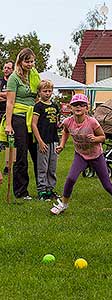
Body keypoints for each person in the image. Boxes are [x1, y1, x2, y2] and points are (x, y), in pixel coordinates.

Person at [50, 94, 112, 216]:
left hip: (96, 156)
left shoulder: (92, 122)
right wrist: (62, 145)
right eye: (75, 105)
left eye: (81, 105)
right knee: (71, 178)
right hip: (80, 155)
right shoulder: (68, 122)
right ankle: (63, 204)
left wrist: (95, 139)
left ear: (86, 108)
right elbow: (65, 132)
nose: (78, 107)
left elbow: (103, 137)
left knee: (107, 185)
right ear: (70, 108)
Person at [4, 48, 40, 199]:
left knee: (38, 154)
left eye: (32, 61)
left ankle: (44, 188)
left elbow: (39, 95)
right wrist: (9, 124)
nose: (30, 64)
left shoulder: (34, 75)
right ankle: (21, 191)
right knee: (22, 156)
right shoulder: (14, 78)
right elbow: (10, 102)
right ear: (20, 61)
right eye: (27, 61)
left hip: (33, 117)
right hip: (19, 117)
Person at [32, 80, 60, 201]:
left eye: (49, 91)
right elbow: (34, 124)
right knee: (42, 167)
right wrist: (40, 141)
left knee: (52, 166)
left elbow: (55, 122)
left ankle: (50, 189)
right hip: (43, 141)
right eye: (45, 91)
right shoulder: (38, 106)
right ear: (39, 92)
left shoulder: (55, 106)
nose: (47, 93)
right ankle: (42, 190)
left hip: (54, 140)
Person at [0, 61, 14, 174]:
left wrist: (6, 96)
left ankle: (8, 166)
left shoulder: (14, 81)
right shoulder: (0, 81)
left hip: (9, 114)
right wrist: (7, 96)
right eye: (5, 67)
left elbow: (13, 96)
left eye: (9, 68)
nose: (6, 69)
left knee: (10, 142)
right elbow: (9, 96)